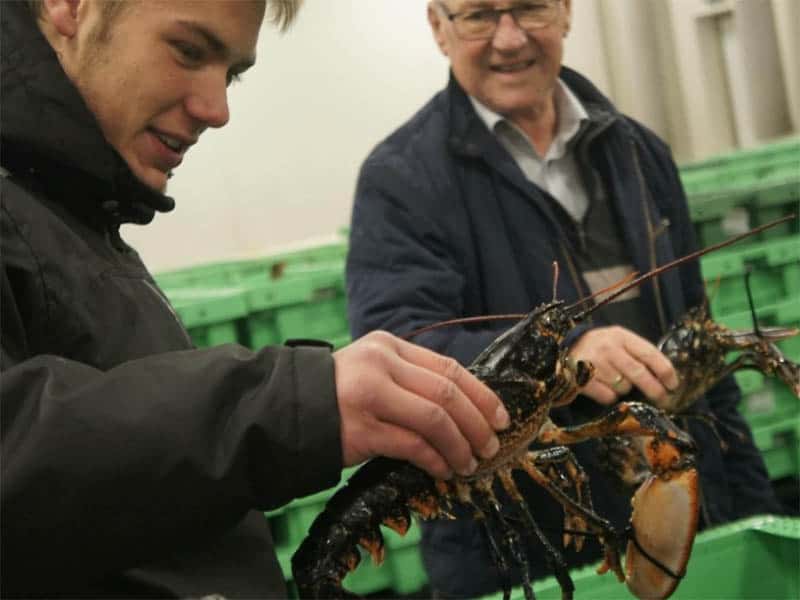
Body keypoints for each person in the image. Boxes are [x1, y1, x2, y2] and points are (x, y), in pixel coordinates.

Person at [0, 1, 512, 597]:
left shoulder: (71, 211)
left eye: (232, 73)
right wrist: (290, 404)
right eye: (189, 51)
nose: (217, 110)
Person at [346, 0, 781, 597]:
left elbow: (703, 352)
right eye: (478, 15)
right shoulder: (401, 179)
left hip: (688, 527)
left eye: (529, 8)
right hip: (531, 567)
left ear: (566, 11)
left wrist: (752, 521)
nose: (509, 38)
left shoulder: (640, 153)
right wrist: (568, 358)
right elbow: (402, 349)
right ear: (438, 27)